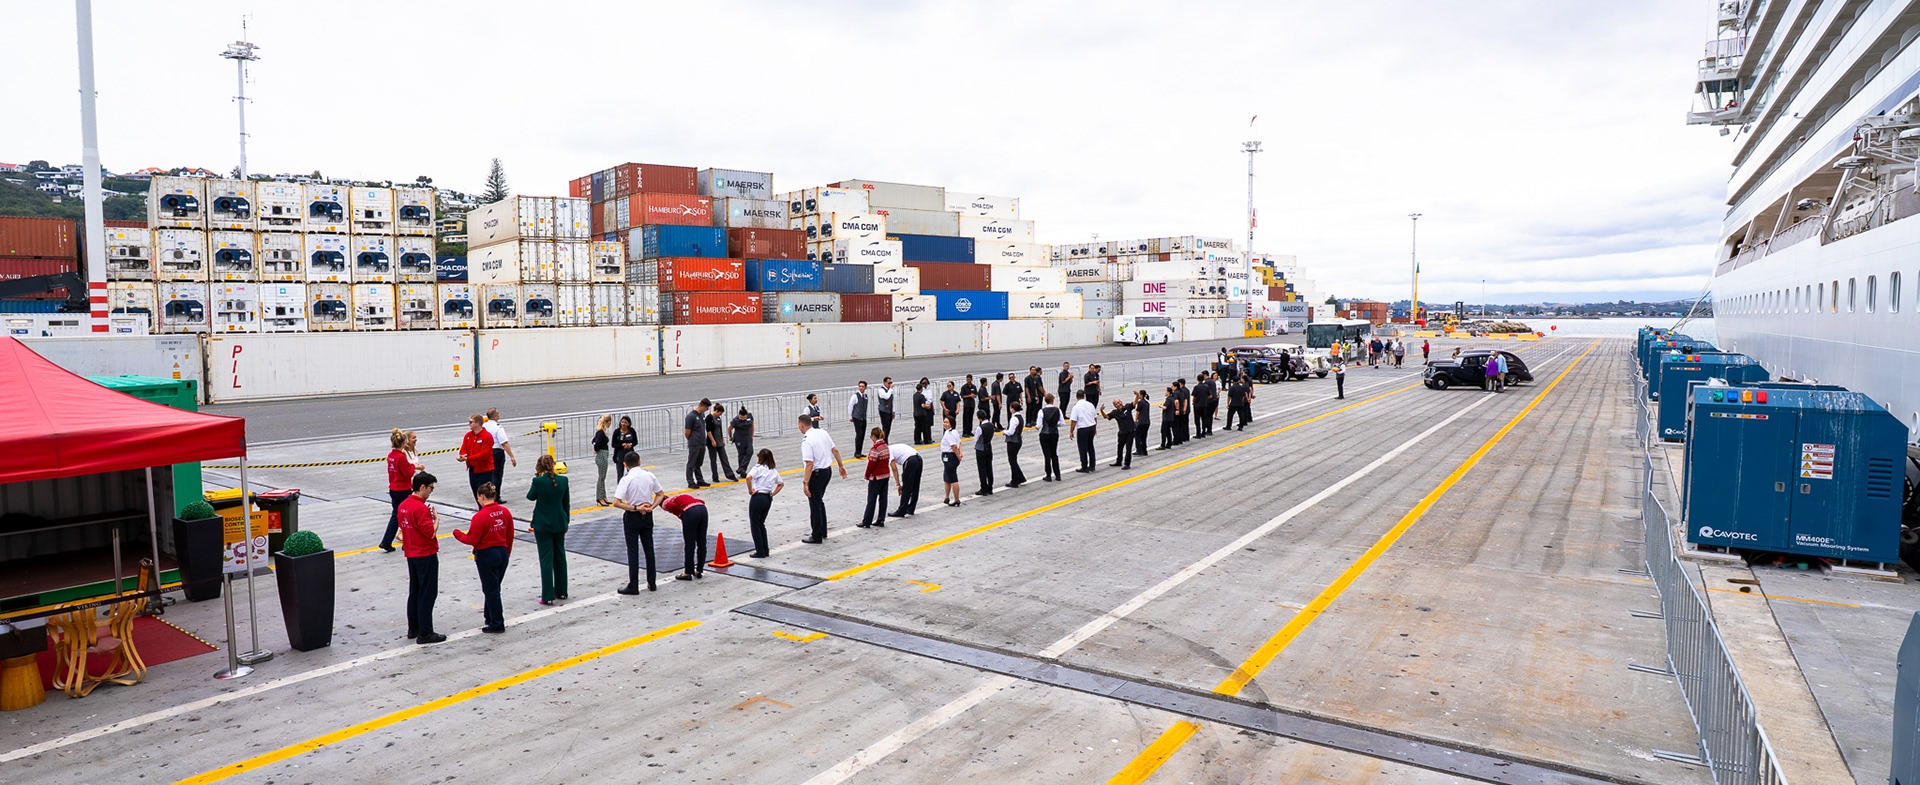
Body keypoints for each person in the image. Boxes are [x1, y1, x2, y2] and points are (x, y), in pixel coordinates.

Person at [454, 482, 514, 634]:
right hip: (502, 552)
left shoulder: (480, 517)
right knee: (494, 587)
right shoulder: (505, 512)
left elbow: (472, 539)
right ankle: (490, 616)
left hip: (487, 554)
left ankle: (497, 623)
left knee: (490, 589)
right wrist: (507, 552)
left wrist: (458, 534)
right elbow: (510, 535)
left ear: (481, 497)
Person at [397, 471, 444, 644]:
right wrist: (436, 520)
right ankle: (425, 632)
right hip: (425, 553)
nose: (431, 491)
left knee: (415, 592)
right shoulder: (420, 508)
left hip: (411, 553)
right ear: (422, 487)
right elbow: (429, 533)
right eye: (431, 488)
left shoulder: (403, 505)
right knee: (427, 593)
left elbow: (402, 531)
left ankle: (414, 627)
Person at [607, 453, 664, 593]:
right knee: (649, 549)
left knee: (633, 551)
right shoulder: (649, 475)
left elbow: (616, 502)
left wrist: (635, 508)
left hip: (633, 516)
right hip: (647, 514)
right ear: (639, 462)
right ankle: (652, 582)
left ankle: (634, 585)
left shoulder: (626, 479)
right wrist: (651, 506)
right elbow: (660, 494)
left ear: (625, 465)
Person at [525, 455, 569, 605]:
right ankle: (562, 590)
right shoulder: (563, 481)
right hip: (559, 521)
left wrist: (537, 477)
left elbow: (530, 497)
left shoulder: (538, 482)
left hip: (543, 524)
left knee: (546, 558)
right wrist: (566, 522)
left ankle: (548, 594)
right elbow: (566, 504)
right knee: (560, 555)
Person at [797, 414, 847, 544]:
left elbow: (809, 464)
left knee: (814, 504)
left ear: (802, 425)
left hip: (816, 474)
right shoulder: (822, 432)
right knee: (819, 501)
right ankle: (823, 530)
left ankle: (817, 535)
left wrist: (805, 483)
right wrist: (841, 465)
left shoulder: (806, 441)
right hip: (827, 472)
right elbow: (835, 450)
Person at [381, 428, 420, 553]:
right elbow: (407, 473)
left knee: (396, 516)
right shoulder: (401, 457)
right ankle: (408, 541)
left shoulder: (390, 456)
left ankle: (387, 540)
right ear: (403, 443)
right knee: (407, 515)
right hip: (403, 489)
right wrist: (414, 467)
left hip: (393, 488)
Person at [659, 492, 709, 581]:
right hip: (702, 509)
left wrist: (682, 516)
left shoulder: (665, 503)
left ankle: (688, 572)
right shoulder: (678, 496)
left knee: (690, 543)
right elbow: (701, 501)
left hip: (690, 512)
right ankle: (699, 570)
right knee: (701, 541)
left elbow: (671, 507)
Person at [743, 449, 782, 557]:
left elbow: (748, 477)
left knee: (755, 524)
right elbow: (781, 484)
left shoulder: (758, 468)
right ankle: (765, 549)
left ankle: (760, 551)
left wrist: (750, 490)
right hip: (767, 498)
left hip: (758, 497)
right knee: (761, 524)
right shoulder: (773, 470)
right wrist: (772, 494)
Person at [457, 414, 495, 503]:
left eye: (471, 422)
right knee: (476, 493)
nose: (468, 424)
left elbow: (484, 454)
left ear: (477, 423)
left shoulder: (487, 436)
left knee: (484, 495)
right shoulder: (468, 435)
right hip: (473, 469)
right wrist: (463, 455)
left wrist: (468, 458)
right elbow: (463, 449)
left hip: (485, 470)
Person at [859, 427, 891, 527]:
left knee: (871, 499)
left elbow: (871, 463)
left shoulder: (875, 448)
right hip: (886, 475)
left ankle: (867, 521)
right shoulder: (885, 446)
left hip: (876, 476)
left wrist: (867, 475)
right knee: (883, 498)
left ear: (873, 436)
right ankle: (881, 519)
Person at [887, 438, 923, 517]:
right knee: (915, 485)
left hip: (910, 460)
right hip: (918, 458)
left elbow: (894, 469)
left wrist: (898, 484)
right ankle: (911, 508)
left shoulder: (888, 451)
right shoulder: (893, 447)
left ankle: (901, 510)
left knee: (907, 486)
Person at [484, 408, 516, 491]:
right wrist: (511, 456)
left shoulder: (483, 426)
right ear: (494, 416)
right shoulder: (498, 427)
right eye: (497, 414)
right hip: (496, 452)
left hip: (485, 452)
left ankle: (487, 493)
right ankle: (495, 495)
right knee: (497, 475)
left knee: (487, 474)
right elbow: (504, 443)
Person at [1068, 390, 1099, 473]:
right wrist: (1095, 427)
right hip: (1091, 426)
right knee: (1090, 446)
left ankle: (1084, 466)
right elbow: (1095, 417)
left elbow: (1073, 421)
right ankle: (1092, 465)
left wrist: (1071, 431)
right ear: (1084, 396)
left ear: (1076, 397)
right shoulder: (1090, 404)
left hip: (1083, 428)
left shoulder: (1076, 407)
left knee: (1082, 448)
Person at [683, 398, 711, 489]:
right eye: (706, 408)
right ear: (702, 406)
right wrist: (691, 440)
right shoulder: (691, 416)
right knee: (691, 463)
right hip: (694, 443)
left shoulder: (702, 415)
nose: (707, 410)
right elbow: (687, 432)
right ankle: (690, 481)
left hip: (702, 443)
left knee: (699, 463)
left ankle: (700, 479)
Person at [708, 403, 738, 482]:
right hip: (712, 442)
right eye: (719, 413)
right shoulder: (709, 418)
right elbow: (708, 431)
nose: (720, 415)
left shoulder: (718, 418)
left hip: (719, 441)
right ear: (716, 411)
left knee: (724, 458)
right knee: (713, 459)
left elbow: (720, 430)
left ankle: (729, 474)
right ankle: (715, 476)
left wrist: (723, 439)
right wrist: (713, 441)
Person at [1038, 394, 1063, 482]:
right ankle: (1058, 474)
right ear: (1052, 400)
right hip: (1054, 433)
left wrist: (1038, 427)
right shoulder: (1057, 410)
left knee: (1047, 455)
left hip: (1045, 433)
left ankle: (1048, 475)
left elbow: (1038, 425)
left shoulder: (1042, 411)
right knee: (1054, 454)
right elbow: (1062, 423)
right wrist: (1056, 425)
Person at [940, 415, 964, 505]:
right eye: (944, 422)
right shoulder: (955, 432)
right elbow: (960, 443)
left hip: (950, 456)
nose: (945, 424)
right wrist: (960, 453)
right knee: (947, 477)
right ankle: (947, 497)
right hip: (949, 456)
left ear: (951, 424)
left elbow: (954, 446)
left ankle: (956, 499)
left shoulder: (949, 433)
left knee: (953, 478)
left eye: (947, 422)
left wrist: (958, 456)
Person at [974, 409, 999, 495]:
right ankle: (990, 487)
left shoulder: (980, 428)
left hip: (981, 448)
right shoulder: (991, 425)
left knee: (982, 469)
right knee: (989, 467)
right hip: (989, 447)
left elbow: (975, 439)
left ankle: (983, 487)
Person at [1105, 398, 1134, 469]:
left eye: (1119, 402)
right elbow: (1106, 416)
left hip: (1130, 431)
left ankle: (1127, 464)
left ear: (1121, 402)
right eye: (1116, 404)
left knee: (1128, 448)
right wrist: (1101, 411)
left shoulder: (1127, 407)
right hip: (1122, 432)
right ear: (1115, 406)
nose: (1118, 404)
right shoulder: (1115, 412)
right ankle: (1118, 461)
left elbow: (1134, 403)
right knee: (1120, 447)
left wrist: (1136, 395)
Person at [591, 415, 613, 506]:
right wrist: (596, 449)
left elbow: (594, 440)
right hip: (602, 455)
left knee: (603, 477)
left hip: (603, 455)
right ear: (608, 422)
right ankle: (600, 497)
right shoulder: (600, 433)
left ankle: (603, 496)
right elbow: (596, 443)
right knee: (601, 477)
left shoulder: (601, 432)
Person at [1004, 402, 1026, 487]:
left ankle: (1015, 480)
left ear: (1012, 408)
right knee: (1013, 460)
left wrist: (1005, 431)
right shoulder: (1020, 417)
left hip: (1013, 441)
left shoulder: (1014, 418)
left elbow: (1011, 432)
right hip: (1018, 440)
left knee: (1012, 460)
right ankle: (1020, 477)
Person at [612, 415, 637, 484]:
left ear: (628, 424)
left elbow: (635, 441)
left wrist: (630, 445)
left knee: (631, 473)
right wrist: (621, 445)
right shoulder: (617, 432)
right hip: (620, 456)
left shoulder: (632, 431)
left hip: (630, 455)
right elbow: (613, 444)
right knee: (620, 474)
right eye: (622, 422)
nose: (623, 424)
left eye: (625, 422)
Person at [730, 406, 755, 475]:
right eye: (741, 417)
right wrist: (730, 437)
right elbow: (729, 428)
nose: (743, 419)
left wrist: (752, 435)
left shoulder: (750, 416)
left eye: (744, 418)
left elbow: (752, 425)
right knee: (741, 454)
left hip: (747, 438)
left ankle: (741, 468)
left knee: (750, 452)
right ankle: (742, 471)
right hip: (739, 439)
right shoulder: (735, 420)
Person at [849, 382, 871, 458]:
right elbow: (851, 406)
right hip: (857, 417)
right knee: (859, 434)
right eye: (860, 386)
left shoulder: (865, 396)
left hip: (863, 417)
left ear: (865, 388)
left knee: (862, 435)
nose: (861, 388)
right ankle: (857, 452)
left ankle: (860, 451)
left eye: (863, 386)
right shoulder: (855, 396)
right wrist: (851, 417)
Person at [1194, 372, 1217, 438]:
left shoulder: (1204, 384)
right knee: (1208, 416)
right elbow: (1210, 394)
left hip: (1203, 403)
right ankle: (1207, 430)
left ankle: (1199, 433)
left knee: (1201, 418)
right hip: (1211, 401)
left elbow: (1195, 397)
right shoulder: (1212, 382)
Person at [1133, 390, 1152, 457]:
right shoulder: (1147, 403)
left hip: (1141, 422)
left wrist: (1135, 420)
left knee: (1137, 436)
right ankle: (1144, 450)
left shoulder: (1140, 403)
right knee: (1144, 437)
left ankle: (1139, 450)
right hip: (1147, 422)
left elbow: (1138, 412)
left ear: (1141, 395)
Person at [1158, 386, 1177, 450]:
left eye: (1165, 391)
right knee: (1168, 431)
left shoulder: (1168, 399)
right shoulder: (1172, 398)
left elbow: (1165, 407)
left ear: (1168, 392)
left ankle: (1163, 444)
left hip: (1167, 418)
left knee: (1163, 431)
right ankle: (1169, 443)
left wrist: (1161, 406)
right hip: (1170, 417)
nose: (1165, 392)